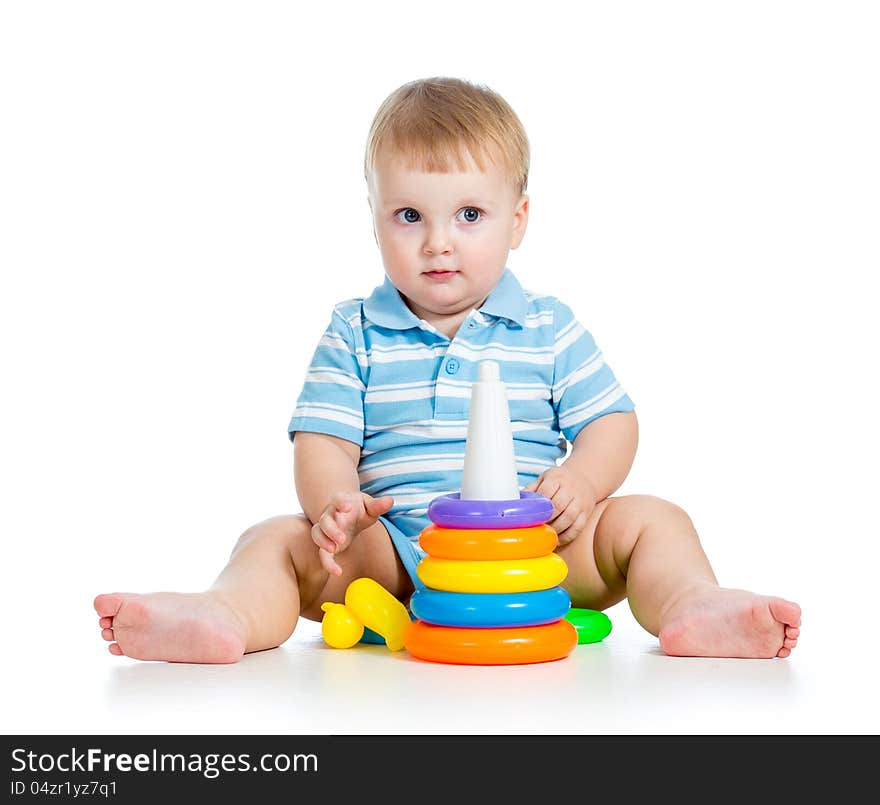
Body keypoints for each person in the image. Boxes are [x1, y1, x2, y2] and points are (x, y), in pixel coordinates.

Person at [94, 77, 800, 663]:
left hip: (536, 552)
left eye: (469, 214)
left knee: (654, 520)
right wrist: (338, 504)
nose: (438, 243)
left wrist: (584, 481)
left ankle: (691, 605)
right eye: (409, 215)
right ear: (373, 220)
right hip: (401, 558)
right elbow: (325, 442)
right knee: (274, 539)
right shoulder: (356, 330)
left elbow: (611, 421)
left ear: (517, 220)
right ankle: (225, 617)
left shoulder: (548, 326)